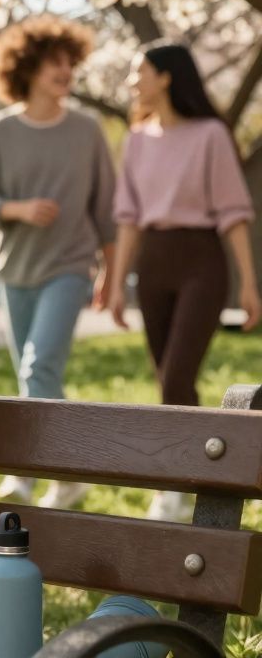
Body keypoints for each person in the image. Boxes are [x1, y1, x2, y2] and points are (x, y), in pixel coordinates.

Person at [0, 16, 117, 509]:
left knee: (39, 367)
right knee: (34, 379)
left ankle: (28, 473)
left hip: (70, 267)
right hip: (14, 269)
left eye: (71, 61)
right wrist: (17, 209)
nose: (66, 70)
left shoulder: (87, 132)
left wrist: (111, 273)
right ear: (26, 67)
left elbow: (106, 208)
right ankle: (70, 472)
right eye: (55, 62)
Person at [107, 43, 258, 522]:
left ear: (167, 77)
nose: (133, 81)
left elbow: (234, 214)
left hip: (202, 262)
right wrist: (114, 284)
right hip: (153, 262)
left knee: (177, 376)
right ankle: (192, 475)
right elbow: (128, 218)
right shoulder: (136, 139)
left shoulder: (212, 134)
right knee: (167, 380)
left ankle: (172, 487)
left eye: (140, 71)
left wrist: (249, 286)